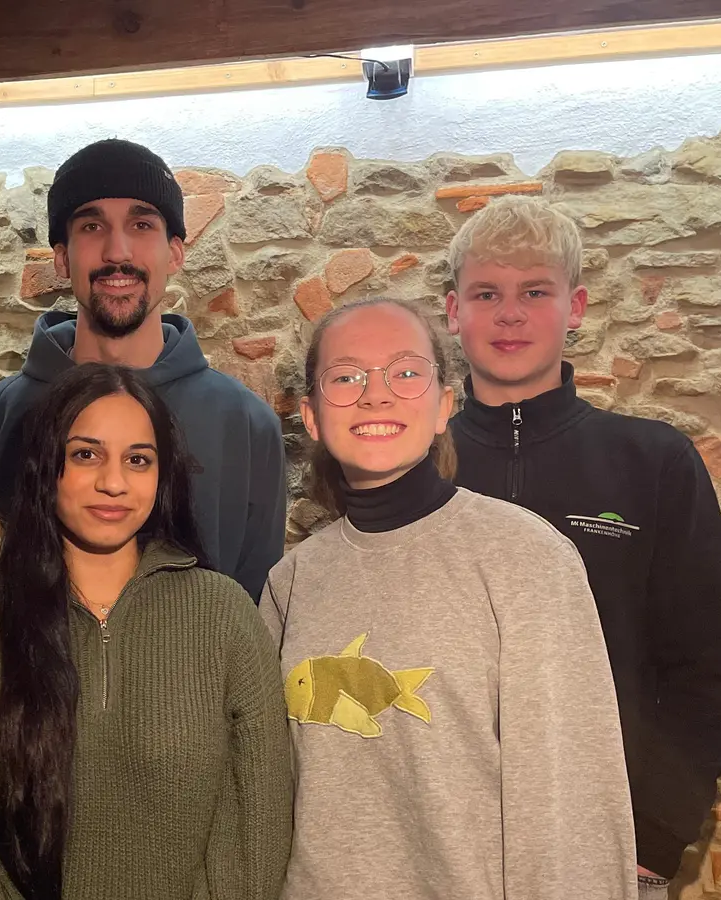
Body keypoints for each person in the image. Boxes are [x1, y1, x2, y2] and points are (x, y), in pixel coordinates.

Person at [260, 298, 636, 900]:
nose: (375, 395)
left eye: (405, 373)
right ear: (310, 415)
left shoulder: (527, 558)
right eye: (346, 376)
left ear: (443, 406)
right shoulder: (292, 581)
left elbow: (572, 806)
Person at [0, 363, 293, 900]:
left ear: (162, 475)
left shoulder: (226, 617)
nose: (113, 482)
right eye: (86, 454)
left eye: (138, 460)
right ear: (47, 467)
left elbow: (256, 823)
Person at [444, 196, 721, 898]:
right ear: (455, 311)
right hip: (441, 848)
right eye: (487, 293)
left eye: (534, 292)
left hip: (605, 850)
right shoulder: (412, 468)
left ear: (574, 306)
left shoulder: (655, 463)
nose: (509, 314)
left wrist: (653, 842)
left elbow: (702, 673)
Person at [0, 138, 286, 598]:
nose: (117, 251)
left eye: (141, 224)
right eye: (92, 226)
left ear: (175, 252)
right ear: (61, 258)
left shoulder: (248, 426)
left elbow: (254, 612)